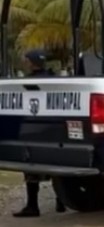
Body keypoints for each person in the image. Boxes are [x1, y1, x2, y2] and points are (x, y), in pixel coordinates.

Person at [13, 49, 66, 218]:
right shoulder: (53, 79)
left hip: (34, 128)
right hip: (53, 127)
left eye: (27, 60)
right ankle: (61, 201)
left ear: (32, 62)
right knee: (56, 166)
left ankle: (32, 206)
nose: (25, 62)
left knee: (31, 166)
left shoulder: (28, 82)